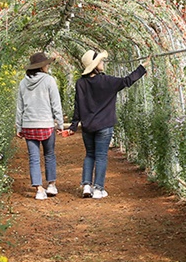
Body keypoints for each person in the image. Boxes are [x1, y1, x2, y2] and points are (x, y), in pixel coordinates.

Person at [68, 48, 145, 199]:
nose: (102, 63)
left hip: (88, 126)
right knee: (101, 156)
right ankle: (98, 188)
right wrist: (142, 69)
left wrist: (73, 125)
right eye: (100, 61)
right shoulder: (107, 81)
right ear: (95, 65)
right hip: (104, 126)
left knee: (90, 155)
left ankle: (86, 186)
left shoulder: (80, 84)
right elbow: (127, 81)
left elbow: (77, 105)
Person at [15, 51, 68, 200]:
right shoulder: (49, 80)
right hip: (46, 124)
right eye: (47, 64)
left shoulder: (23, 82)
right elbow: (55, 104)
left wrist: (19, 126)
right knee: (49, 155)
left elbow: (20, 107)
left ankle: (39, 189)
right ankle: (51, 185)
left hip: (29, 124)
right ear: (42, 67)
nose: (48, 66)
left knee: (34, 157)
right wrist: (60, 124)